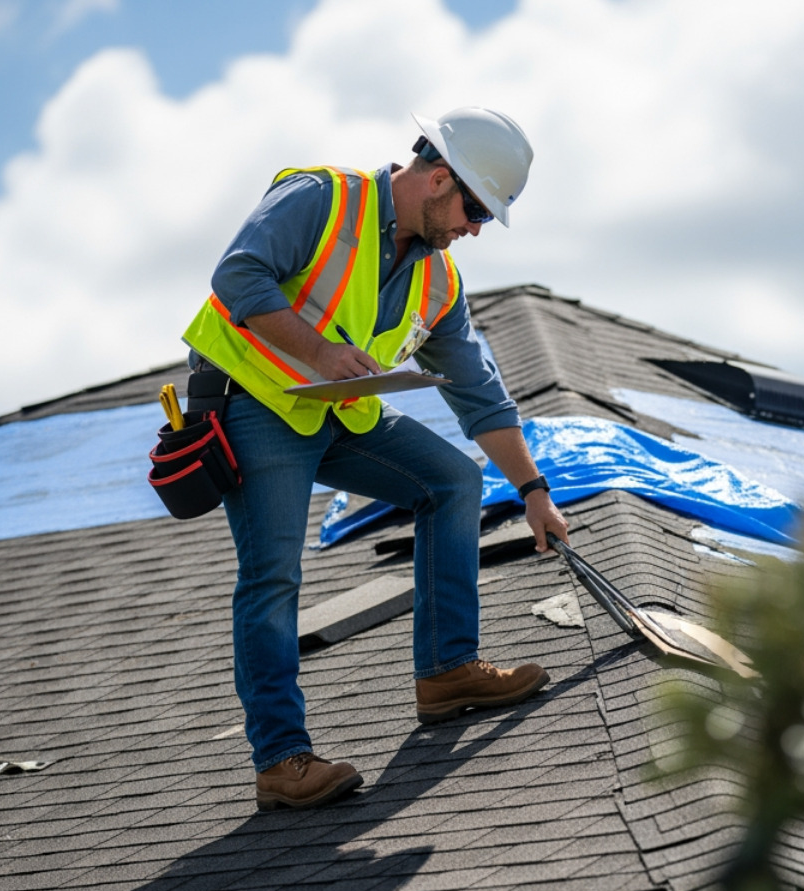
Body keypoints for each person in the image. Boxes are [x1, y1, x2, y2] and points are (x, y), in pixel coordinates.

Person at [180, 107, 570, 812]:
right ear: (439, 177)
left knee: (451, 480)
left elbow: (481, 396)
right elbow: (238, 277)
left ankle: (448, 673)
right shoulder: (323, 198)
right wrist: (321, 352)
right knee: (272, 574)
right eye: (475, 208)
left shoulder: (438, 281)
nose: (475, 228)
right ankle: (281, 761)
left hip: (335, 412)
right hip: (256, 404)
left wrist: (534, 490)